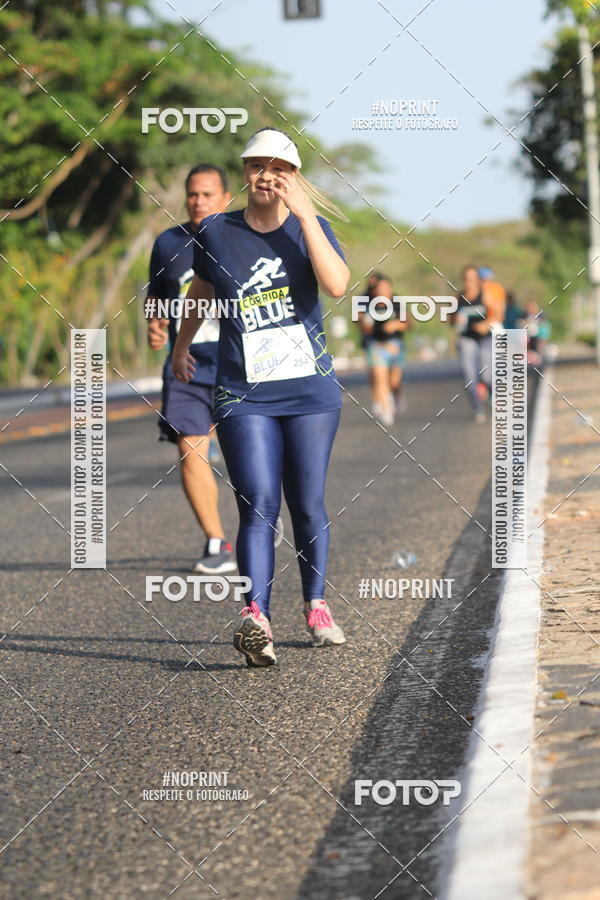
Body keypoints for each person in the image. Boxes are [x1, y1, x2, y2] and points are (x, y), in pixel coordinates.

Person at [172, 127, 349, 668]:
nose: (266, 175)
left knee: (306, 502)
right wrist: (182, 344)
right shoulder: (217, 232)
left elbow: (338, 285)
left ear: (294, 177)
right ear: (244, 174)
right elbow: (202, 288)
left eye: (279, 167)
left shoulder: (311, 229)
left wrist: (305, 220)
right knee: (256, 503)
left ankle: (315, 605)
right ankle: (256, 617)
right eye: (256, 165)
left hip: (309, 391)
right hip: (241, 392)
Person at [146, 164, 237, 574]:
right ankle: (217, 541)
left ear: (226, 198)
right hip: (187, 363)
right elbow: (159, 296)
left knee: (248, 451)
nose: (198, 201)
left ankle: (260, 516)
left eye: (207, 194)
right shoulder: (168, 243)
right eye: (193, 194)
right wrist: (156, 324)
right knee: (190, 446)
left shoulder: (245, 237)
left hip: (240, 361)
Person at [451, 264, 505, 423]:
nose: (470, 282)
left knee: (487, 375)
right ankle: (477, 408)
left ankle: (491, 394)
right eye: (467, 279)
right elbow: (451, 321)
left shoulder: (485, 295)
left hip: (485, 337)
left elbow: (498, 315)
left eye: (473, 279)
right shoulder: (458, 297)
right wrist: (456, 319)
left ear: (478, 279)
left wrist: (485, 323)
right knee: (469, 376)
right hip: (467, 338)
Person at [358, 274, 409, 426]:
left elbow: (407, 324)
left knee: (393, 381)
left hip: (395, 345)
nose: (383, 291)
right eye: (379, 288)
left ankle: (396, 394)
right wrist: (364, 323)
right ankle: (387, 409)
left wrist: (396, 325)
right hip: (376, 345)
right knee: (380, 378)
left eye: (386, 288)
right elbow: (362, 324)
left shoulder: (397, 302)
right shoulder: (367, 304)